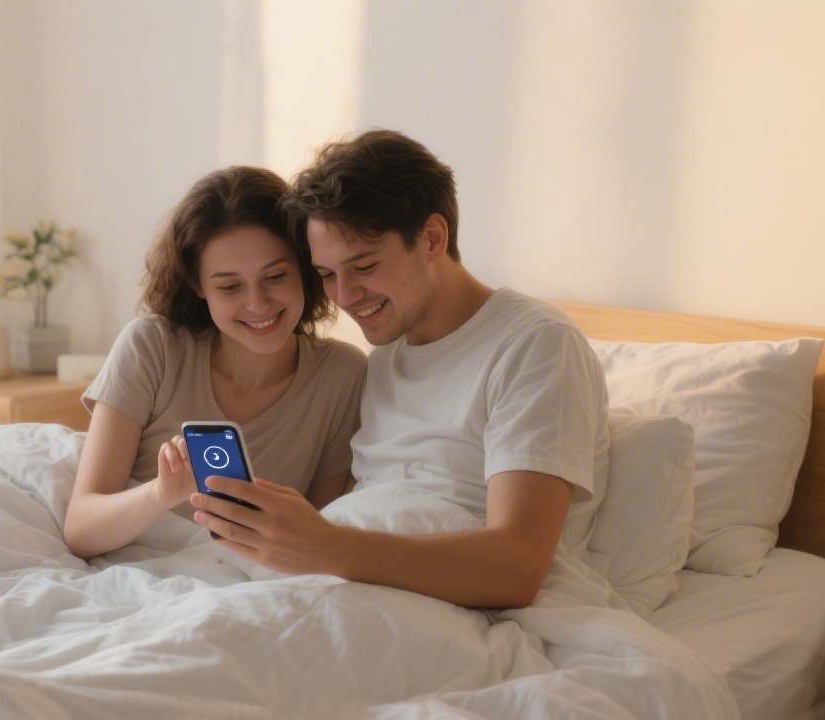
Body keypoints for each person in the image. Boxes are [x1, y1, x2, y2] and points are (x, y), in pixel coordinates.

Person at [189, 130, 609, 609]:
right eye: (327, 275)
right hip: (345, 584)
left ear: (431, 238)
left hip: (440, 603)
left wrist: (324, 545)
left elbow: (517, 568)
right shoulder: (385, 359)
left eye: (363, 266)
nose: (344, 297)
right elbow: (371, 504)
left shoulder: (535, 345)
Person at [64, 166, 367, 561]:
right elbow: (81, 529)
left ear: (304, 267)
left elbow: (318, 529)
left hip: (249, 581)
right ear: (197, 284)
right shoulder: (152, 347)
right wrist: (161, 493)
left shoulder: (341, 374)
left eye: (275, 276)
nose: (258, 304)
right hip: (136, 570)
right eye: (230, 286)